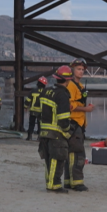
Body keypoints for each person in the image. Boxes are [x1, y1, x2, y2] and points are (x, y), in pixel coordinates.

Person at [38, 66, 73, 194]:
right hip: (56, 132)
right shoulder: (62, 94)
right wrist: (68, 130)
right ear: (68, 80)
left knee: (48, 159)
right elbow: (63, 119)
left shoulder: (46, 91)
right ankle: (54, 185)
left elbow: (36, 111)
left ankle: (49, 182)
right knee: (57, 159)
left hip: (44, 131)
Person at [64, 59, 94, 191]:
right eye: (78, 69)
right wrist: (86, 109)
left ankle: (68, 181)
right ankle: (76, 182)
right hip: (73, 122)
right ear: (72, 70)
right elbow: (70, 106)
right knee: (77, 153)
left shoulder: (80, 86)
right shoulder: (70, 85)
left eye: (83, 70)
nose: (81, 72)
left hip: (79, 123)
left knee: (71, 152)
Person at [23, 76, 47, 141]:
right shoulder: (45, 92)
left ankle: (29, 136)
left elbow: (28, 100)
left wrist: (25, 106)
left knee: (31, 124)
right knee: (40, 124)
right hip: (41, 111)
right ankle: (39, 137)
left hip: (33, 110)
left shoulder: (33, 91)